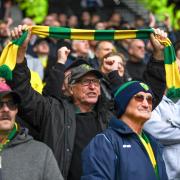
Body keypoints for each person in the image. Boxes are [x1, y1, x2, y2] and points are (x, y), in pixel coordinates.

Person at [9, 25, 167, 180]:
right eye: (85, 82)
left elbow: (145, 94)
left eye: (96, 82)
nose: (92, 86)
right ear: (71, 89)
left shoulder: (109, 115)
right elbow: (23, 92)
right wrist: (21, 51)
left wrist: (159, 55)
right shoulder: (52, 111)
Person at [82, 81, 168, 180]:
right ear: (123, 102)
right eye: (139, 97)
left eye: (149, 99)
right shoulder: (105, 141)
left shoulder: (154, 142)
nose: (146, 104)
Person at [0, 81, 63, 180]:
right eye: (0, 104)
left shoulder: (41, 152)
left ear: (16, 110)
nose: (6, 109)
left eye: (11, 104)